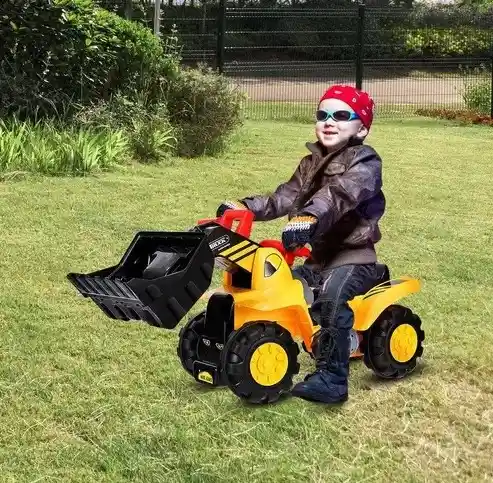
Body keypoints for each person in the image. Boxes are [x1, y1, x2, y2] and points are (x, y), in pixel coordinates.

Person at [216, 84, 386, 404]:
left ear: (362, 128)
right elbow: (284, 197)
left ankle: (332, 379)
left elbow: (339, 194)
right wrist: (247, 207)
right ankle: (243, 346)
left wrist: (310, 217)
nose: (329, 122)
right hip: (316, 259)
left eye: (341, 115)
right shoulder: (309, 163)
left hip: (352, 258)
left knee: (332, 300)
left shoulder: (366, 161)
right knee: (273, 287)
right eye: (323, 114)